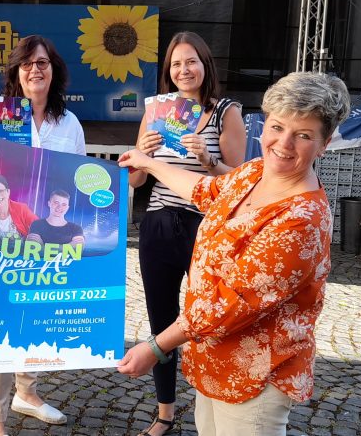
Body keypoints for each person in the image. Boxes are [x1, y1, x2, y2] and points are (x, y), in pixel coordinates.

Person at [118, 71, 350, 436]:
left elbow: (231, 303)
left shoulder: (302, 219)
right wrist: (148, 163)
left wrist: (156, 346)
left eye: (303, 135)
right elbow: (208, 191)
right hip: (215, 361)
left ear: (325, 142)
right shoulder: (256, 171)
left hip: (258, 375)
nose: (283, 144)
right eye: (277, 127)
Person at [130, 31, 247, 435]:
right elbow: (135, 180)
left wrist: (208, 159)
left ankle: (212, 408)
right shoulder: (157, 112)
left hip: (207, 227)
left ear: (205, 64)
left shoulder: (226, 111)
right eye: (176, 64)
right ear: (168, 72)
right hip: (159, 223)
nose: (184, 70)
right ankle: (165, 412)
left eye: (191, 61)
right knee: (162, 321)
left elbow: (240, 180)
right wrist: (141, 156)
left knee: (210, 320)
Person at [0, 35, 85, 435]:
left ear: (54, 71)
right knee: (4, 319)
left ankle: (28, 392)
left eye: (42, 63)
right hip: (8, 232)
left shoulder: (69, 122)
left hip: (47, 233)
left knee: (36, 315)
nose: (35, 70)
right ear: (16, 72)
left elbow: (76, 178)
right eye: (27, 64)